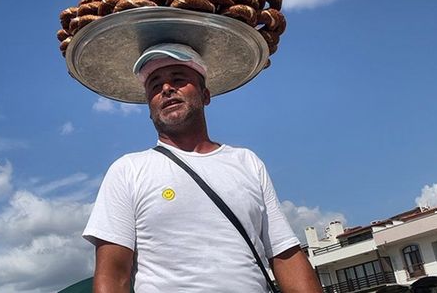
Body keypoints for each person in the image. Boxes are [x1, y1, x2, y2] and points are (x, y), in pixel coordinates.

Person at [82, 43, 322, 292]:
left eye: (178, 79)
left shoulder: (247, 162)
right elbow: (113, 276)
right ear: (149, 107)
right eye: (155, 85)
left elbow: (286, 254)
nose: (166, 89)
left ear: (205, 95)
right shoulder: (128, 170)